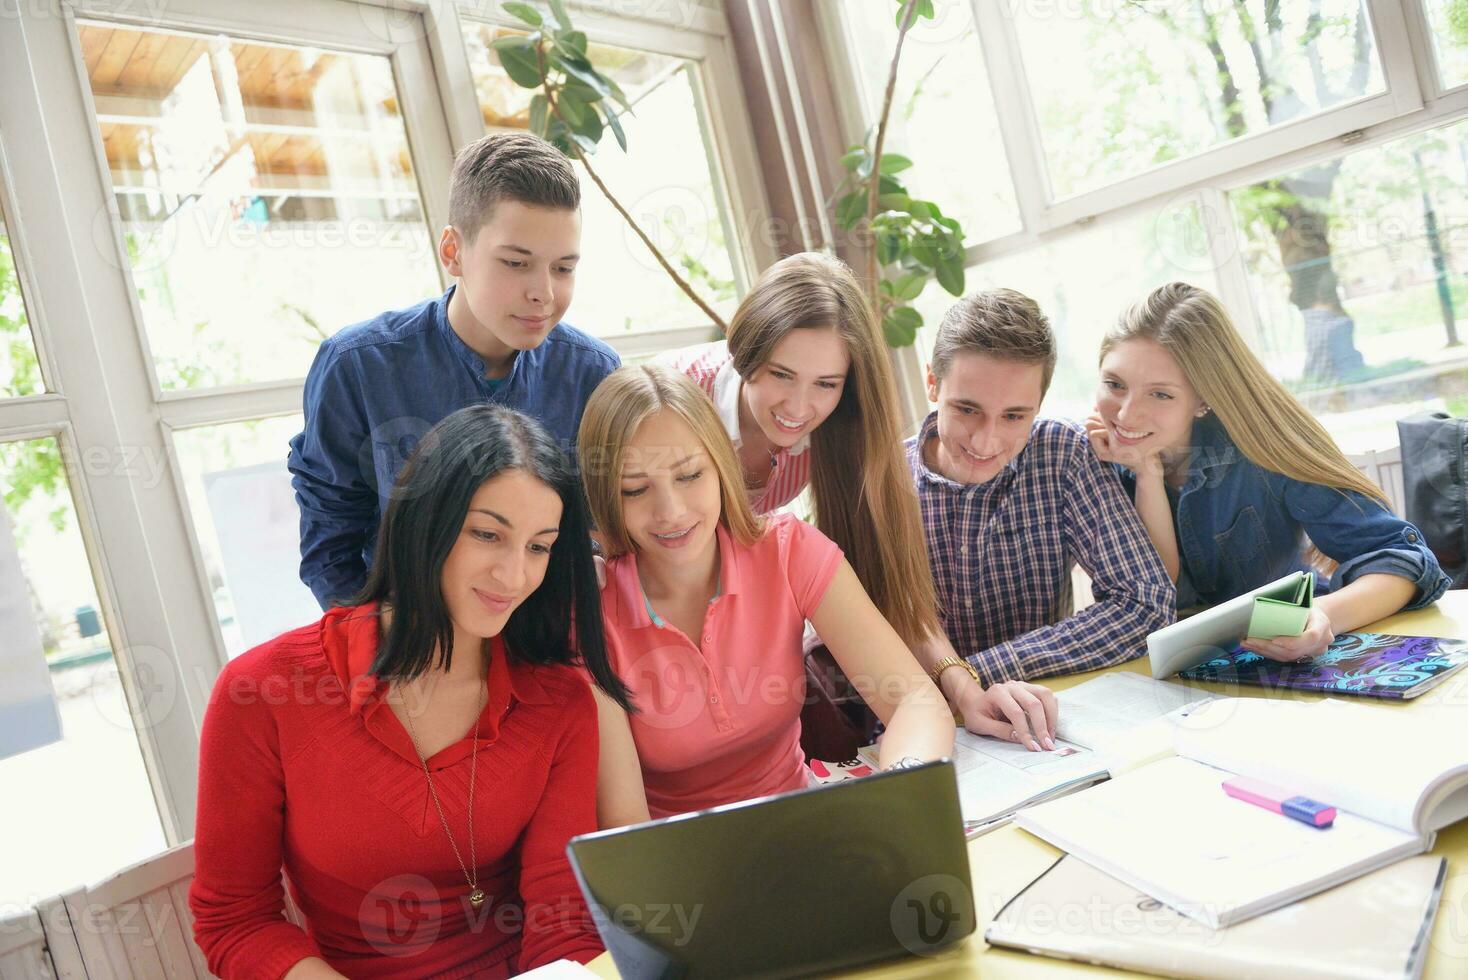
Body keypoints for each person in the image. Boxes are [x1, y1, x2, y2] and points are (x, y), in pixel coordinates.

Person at [192, 406, 628, 979]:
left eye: (539, 547)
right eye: (487, 534)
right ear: (425, 522)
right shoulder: (262, 693)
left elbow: (561, 921)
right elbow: (235, 919)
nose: (514, 575)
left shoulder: (559, 701)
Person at [577, 364, 979, 826]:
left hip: (805, 827)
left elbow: (914, 700)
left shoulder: (790, 551)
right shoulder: (592, 616)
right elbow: (627, 828)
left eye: (689, 476)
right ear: (607, 496)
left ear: (722, 467)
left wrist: (906, 788)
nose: (671, 511)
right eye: (635, 489)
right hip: (680, 867)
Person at [289, 132, 618, 609]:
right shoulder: (358, 367)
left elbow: (598, 527)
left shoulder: (594, 374)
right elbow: (330, 547)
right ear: (453, 252)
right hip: (406, 647)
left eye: (563, 268)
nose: (543, 293)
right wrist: (391, 654)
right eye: (515, 263)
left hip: (548, 643)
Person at [1086, 282, 1450, 662]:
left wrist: (1321, 614)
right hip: (1174, 678)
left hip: (1285, 659)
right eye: (1114, 384)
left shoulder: (1261, 444)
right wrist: (1146, 473)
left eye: (1160, 394)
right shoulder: (1096, 459)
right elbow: (1158, 598)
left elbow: (1405, 561)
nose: (1125, 414)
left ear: (1204, 398)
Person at [659, 251, 938, 655]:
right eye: (781, 375)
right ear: (745, 353)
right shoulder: (675, 401)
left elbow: (885, 578)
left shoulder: (839, 424)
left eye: (825, 384)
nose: (798, 409)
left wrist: (957, 677)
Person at [908, 289, 1175, 688]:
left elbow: (1146, 604)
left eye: (1014, 416)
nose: (985, 441)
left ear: (1040, 403)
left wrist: (972, 675)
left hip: (1044, 710)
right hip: (919, 715)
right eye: (967, 409)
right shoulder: (882, 480)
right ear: (933, 383)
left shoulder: (1062, 455)